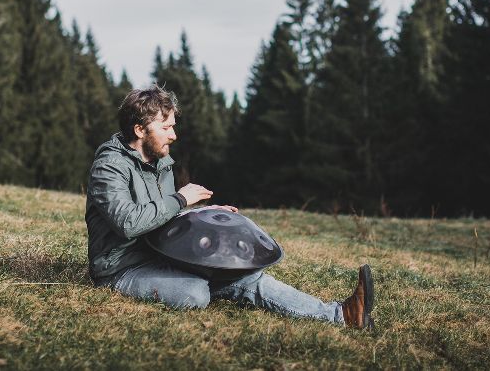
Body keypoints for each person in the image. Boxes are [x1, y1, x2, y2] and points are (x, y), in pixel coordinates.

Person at [85, 85, 375, 329]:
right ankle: (211, 285)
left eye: (173, 126)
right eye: (166, 127)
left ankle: (342, 315)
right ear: (139, 129)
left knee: (246, 275)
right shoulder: (109, 166)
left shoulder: (161, 162)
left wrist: (203, 215)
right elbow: (128, 223)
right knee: (196, 293)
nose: (174, 135)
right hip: (121, 268)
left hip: (159, 254)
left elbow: (161, 216)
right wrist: (181, 199)